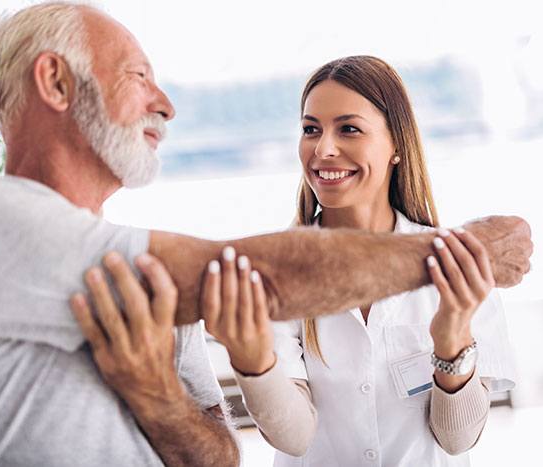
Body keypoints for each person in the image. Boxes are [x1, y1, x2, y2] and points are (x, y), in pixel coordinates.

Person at [0, 2, 532, 465]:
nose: (166, 104)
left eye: (349, 129)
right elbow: (267, 276)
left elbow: (221, 457)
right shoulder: (2, 220)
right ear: (55, 81)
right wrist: (465, 253)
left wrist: (156, 396)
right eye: (137, 75)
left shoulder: (153, 273)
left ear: (397, 146)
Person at [202, 56, 516, 467]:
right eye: (310, 129)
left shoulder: (462, 267)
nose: (323, 149)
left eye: (348, 129)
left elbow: (457, 440)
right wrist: (251, 359)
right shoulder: (276, 270)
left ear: (397, 147)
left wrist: (451, 334)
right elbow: (293, 437)